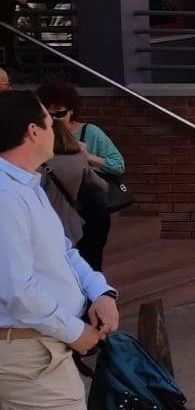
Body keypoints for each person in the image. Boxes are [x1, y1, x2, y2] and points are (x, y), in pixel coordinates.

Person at [0, 90, 119, 410]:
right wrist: (75, 331)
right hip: (28, 354)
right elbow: (17, 289)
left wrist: (100, 291)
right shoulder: (6, 195)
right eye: (48, 121)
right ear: (33, 131)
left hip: (41, 347)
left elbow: (64, 250)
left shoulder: (27, 184)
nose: (56, 127)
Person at [37, 80, 124, 271]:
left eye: (59, 112)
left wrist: (88, 157)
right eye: (48, 113)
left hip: (89, 205)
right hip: (56, 207)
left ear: (71, 110)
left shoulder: (89, 132)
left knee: (90, 260)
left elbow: (117, 165)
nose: (54, 118)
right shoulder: (39, 135)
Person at [40, 118, 107, 246]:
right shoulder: (78, 159)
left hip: (45, 222)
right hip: (71, 222)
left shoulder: (40, 163)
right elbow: (101, 186)